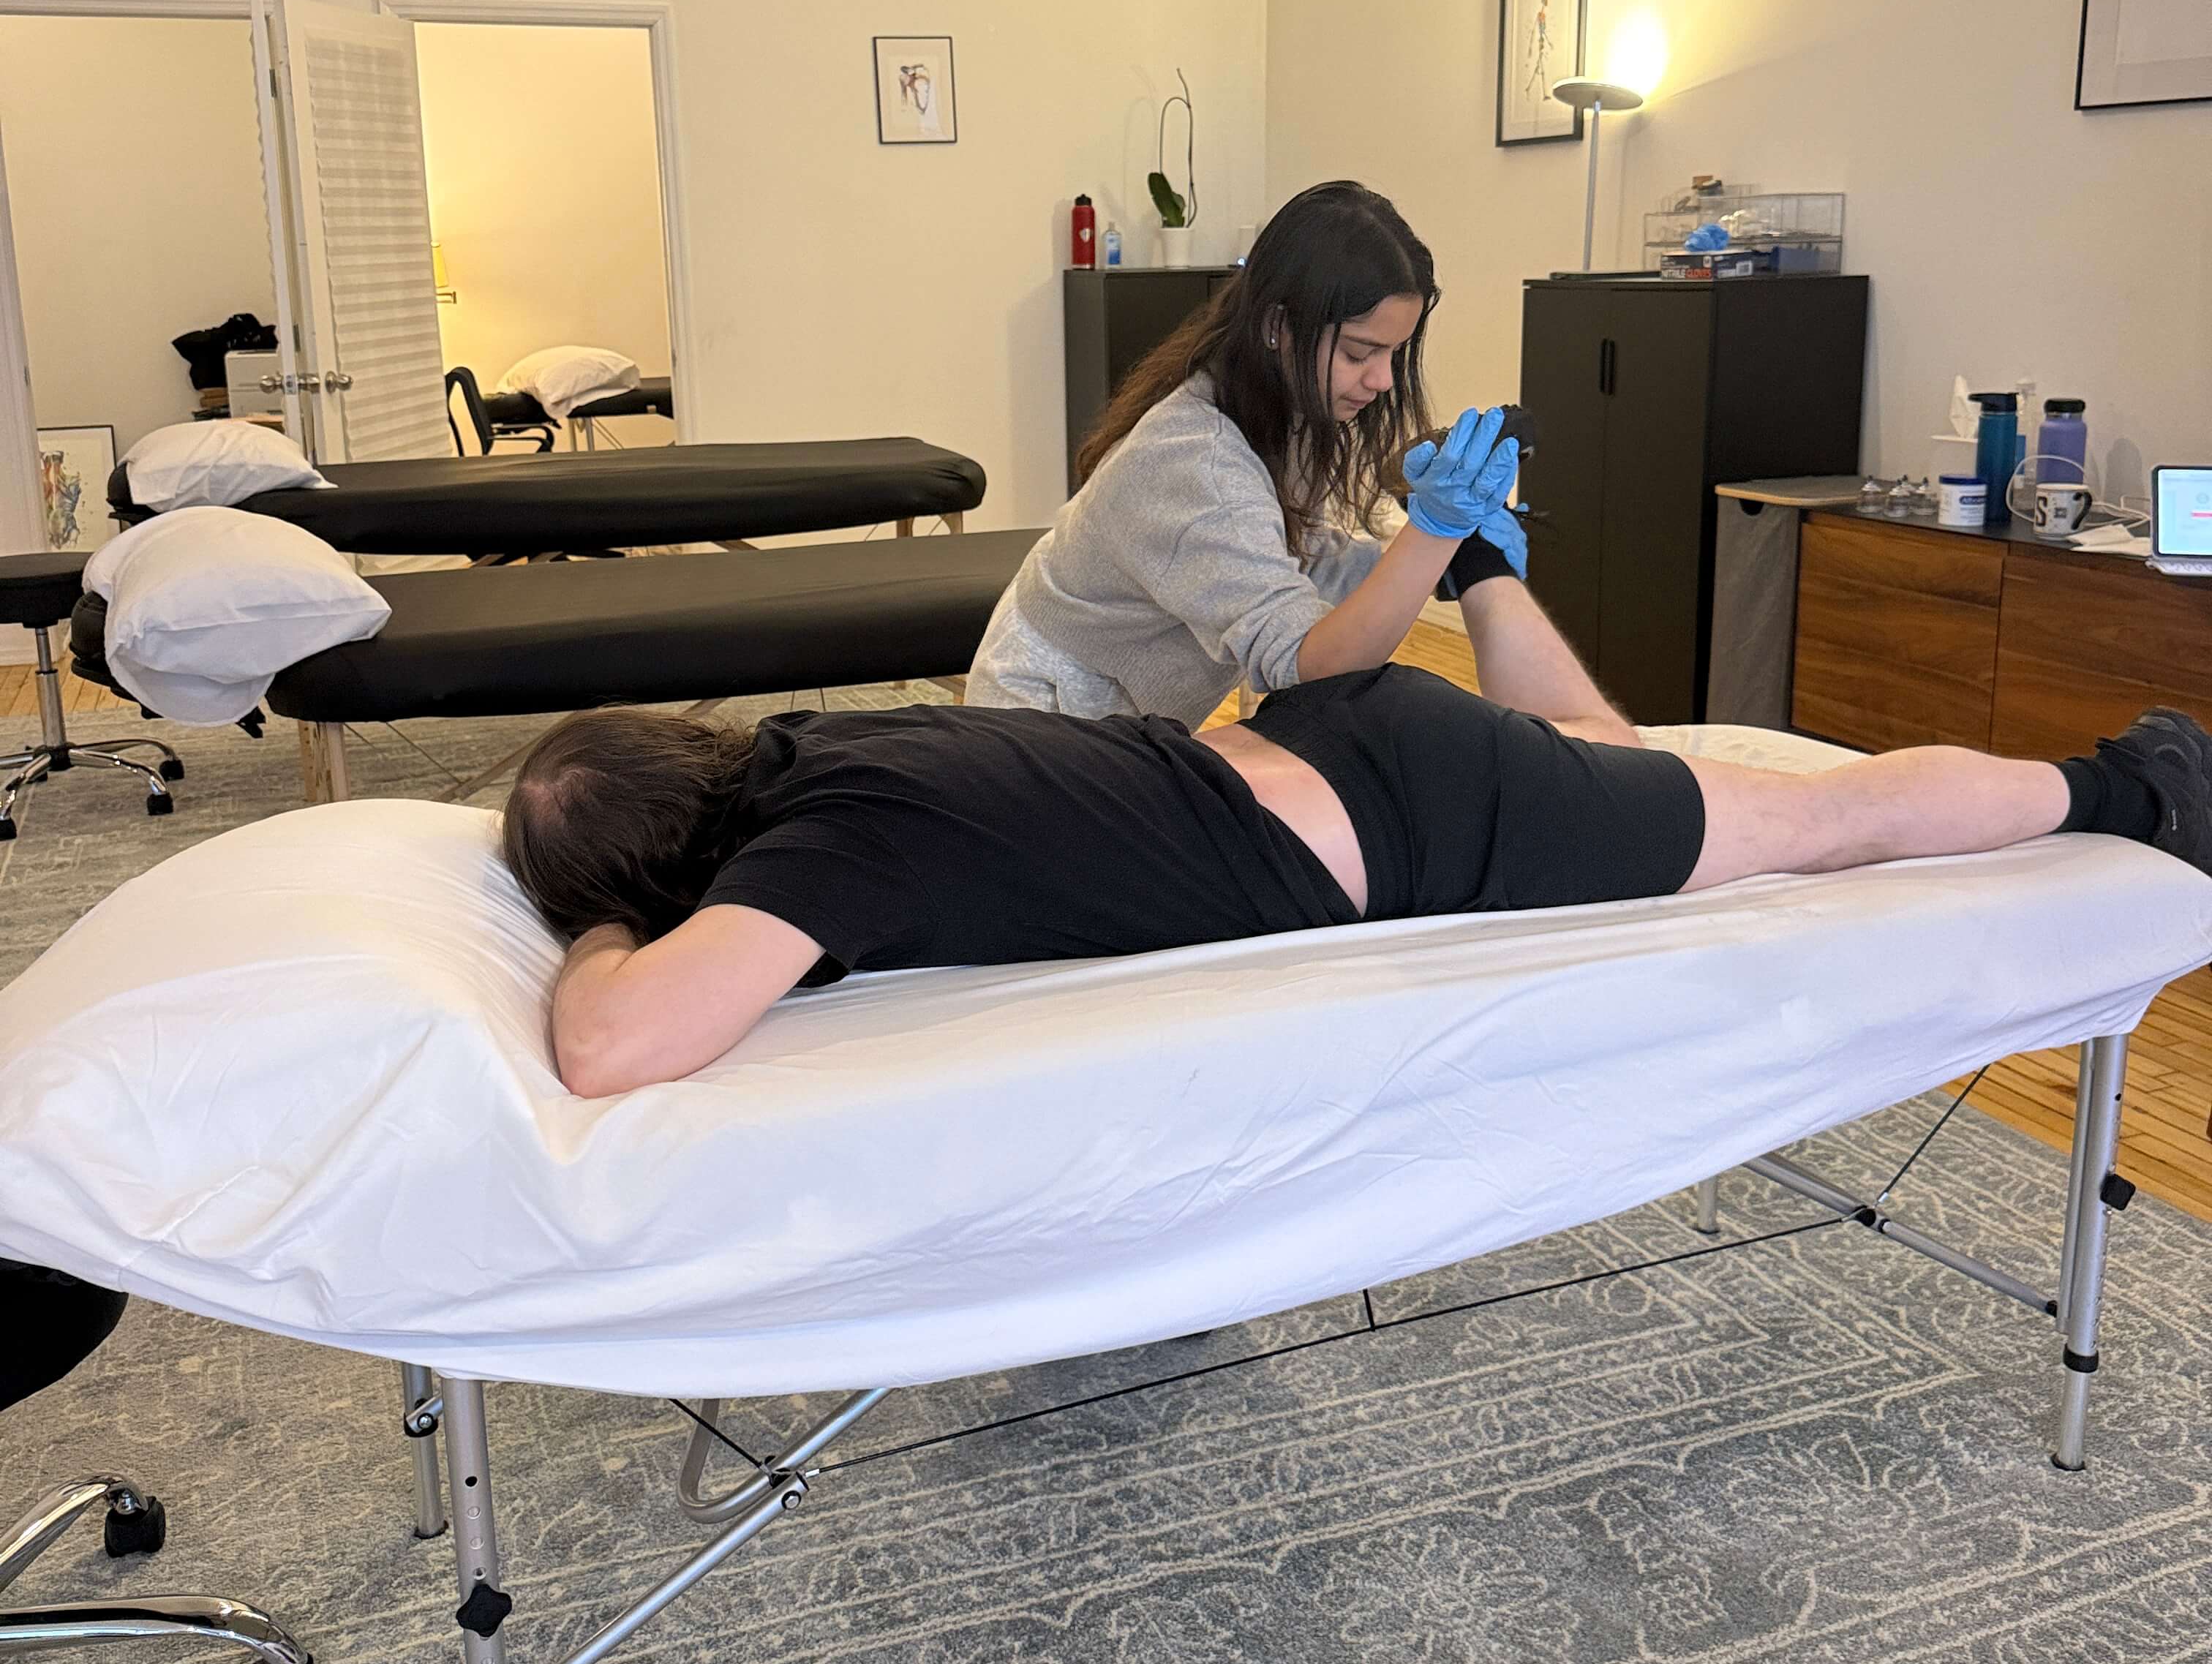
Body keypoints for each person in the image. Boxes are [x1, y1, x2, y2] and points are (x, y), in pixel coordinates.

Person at [499, 568, 2212, 1097]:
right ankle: (1511, 596)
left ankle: (2139, 787)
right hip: (1338, 745)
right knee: (1639, 774)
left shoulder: (817, 864)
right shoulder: (820, 757)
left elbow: (614, 1047)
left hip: (1419, 813)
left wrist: (600, 931)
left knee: (1824, 823)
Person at [967, 181, 1527, 723]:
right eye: (1360, 353)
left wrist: (1433, 566)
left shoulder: (1280, 408)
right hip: (1046, 719)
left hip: (1130, 716)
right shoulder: (1197, 462)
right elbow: (1306, 664)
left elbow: (1292, 547)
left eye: (1393, 354)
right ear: (1279, 325)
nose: (1382, 379)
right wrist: (1432, 538)